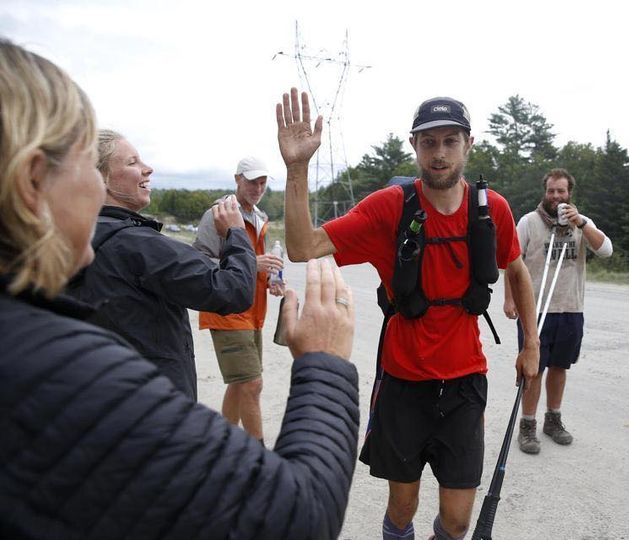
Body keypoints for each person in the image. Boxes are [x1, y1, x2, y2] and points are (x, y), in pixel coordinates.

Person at [0, 38, 360, 540]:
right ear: (33, 181)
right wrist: (325, 364)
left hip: (242, 327)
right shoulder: (73, 366)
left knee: (243, 387)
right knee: (250, 385)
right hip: (222, 327)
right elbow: (295, 517)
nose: (147, 169)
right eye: (86, 160)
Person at [276, 88, 540, 540]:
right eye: (429, 142)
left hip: (464, 383)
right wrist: (297, 168)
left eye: (450, 141)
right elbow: (303, 246)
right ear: (414, 145)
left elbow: (516, 268)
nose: (439, 154)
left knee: (458, 520)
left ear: (469, 143)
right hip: (403, 382)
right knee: (402, 506)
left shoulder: (490, 209)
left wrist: (531, 344)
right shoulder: (389, 208)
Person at [67, 129, 258, 401]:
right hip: (157, 404)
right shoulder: (138, 244)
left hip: (98, 397)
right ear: (101, 179)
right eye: (133, 163)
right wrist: (235, 233)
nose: (148, 169)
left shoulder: (70, 240)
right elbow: (233, 290)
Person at [503, 168, 613, 454]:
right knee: (533, 370)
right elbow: (511, 262)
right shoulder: (529, 222)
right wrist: (509, 300)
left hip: (570, 307)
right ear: (545, 191)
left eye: (561, 191)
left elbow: (606, 250)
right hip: (535, 310)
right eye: (551, 190)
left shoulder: (582, 224)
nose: (556, 196)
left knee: (560, 367)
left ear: (569, 193)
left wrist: (583, 223)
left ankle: (553, 420)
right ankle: (527, 425)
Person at [193, 156, 285, 445]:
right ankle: (257, 457)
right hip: (226, 308)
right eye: (252, 182)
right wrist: (250, 263)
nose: (258, 188)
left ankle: (221, 446)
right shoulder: (219, 214)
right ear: (237, 180)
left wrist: (271, 278)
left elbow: (257, 261)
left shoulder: (260, 217)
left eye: (263, 183)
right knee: (252, 384)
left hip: (253, 310)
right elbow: (200, 262)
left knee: (240, 383)